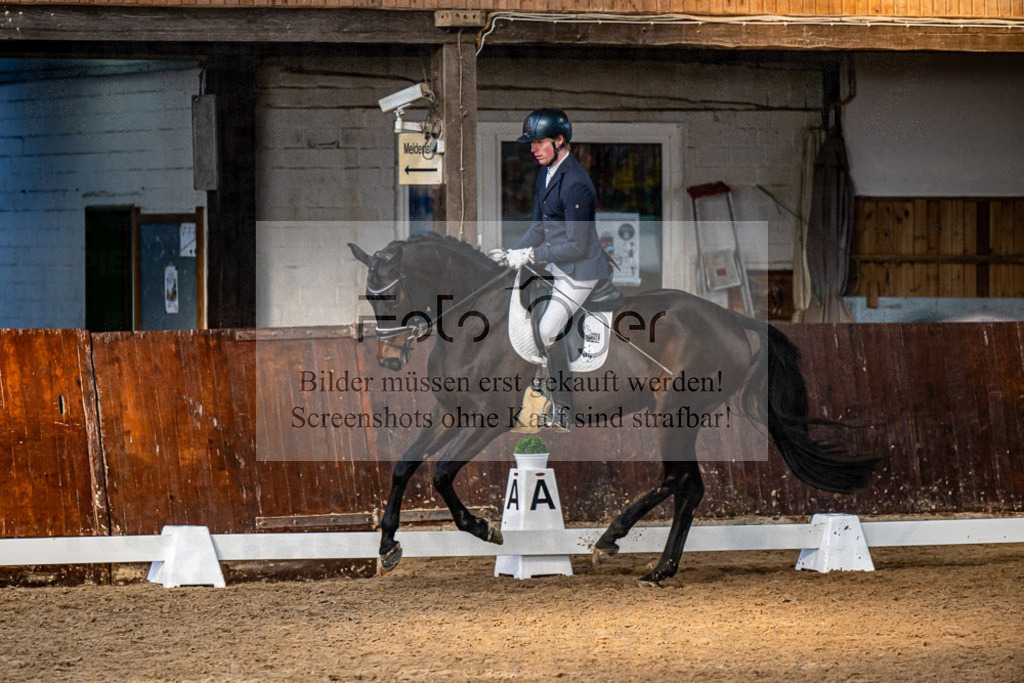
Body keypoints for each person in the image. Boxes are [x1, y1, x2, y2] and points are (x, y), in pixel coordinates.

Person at [490, 108, 611, 430]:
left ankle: (563, 407)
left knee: (547, 328)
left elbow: (577, 246)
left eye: (539, 142)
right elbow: (537, 227)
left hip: (580, 270)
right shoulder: (546, 173)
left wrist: (531, 254)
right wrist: (512, 254)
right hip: (556, 263)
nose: (532, 148)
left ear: (559, 140)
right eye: (531, 143)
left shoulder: (576, 184)